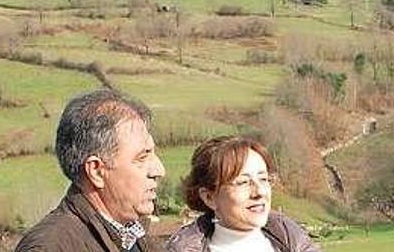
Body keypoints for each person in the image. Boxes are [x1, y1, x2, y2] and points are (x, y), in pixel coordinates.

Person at [16, 89, 167, 252]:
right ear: (96, 171)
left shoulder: (137, 239)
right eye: (142, 157)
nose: (159, 170)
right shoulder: (49, 247)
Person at [166, 135, 319, 252]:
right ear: (209, 197)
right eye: (243, 182)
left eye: (263, 179)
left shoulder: (295, 243)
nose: (259, 192)